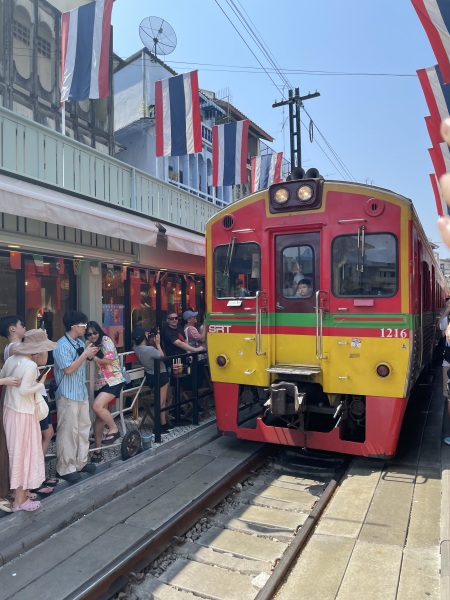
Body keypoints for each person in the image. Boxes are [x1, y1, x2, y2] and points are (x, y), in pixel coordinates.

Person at [0, 315, 57, 495]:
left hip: (29, 399)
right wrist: (40, 342)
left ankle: (34, 478)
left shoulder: (17, 351)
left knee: (39, 438)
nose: (24, 327)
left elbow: (40, 361)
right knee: (31, 443)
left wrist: (40, 342)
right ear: (12, 328)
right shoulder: (15, 348)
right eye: (21, 325)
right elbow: (40, 362)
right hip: (26, 401)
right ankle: (32, 481)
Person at [53, 311, 99, 482]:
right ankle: (65, 468)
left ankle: (81, 462)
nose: (85, 328)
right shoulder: (61, 345)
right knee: (68, 431)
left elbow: (80, 364)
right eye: (83, 325)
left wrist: (88, 355)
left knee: (83, 428)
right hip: (67, 393)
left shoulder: (79, 342)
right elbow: (68, 369)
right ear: (74, 327)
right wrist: (85, 355)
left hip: (80, 391)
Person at [85, 321, 125, 463]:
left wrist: (92, 357)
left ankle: (114, 428)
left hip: (113, 380)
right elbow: (86, 361)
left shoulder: (106, 340)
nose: (93, 336)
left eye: (95, 332)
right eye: (89, 334)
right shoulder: (88, 345)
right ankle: (97, 450)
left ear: (99, 331)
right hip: (99, 384)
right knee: (99, 417)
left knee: (96, 406)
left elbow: (108, 360)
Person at [131, 327, 172, 433]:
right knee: (161, 401)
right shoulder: (149, 349)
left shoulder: (136, 348)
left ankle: (164, 423)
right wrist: (157, 344)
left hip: (150, 375)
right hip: (161, 375)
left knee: (161, 400)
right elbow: (161, 355)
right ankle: (158, 426)